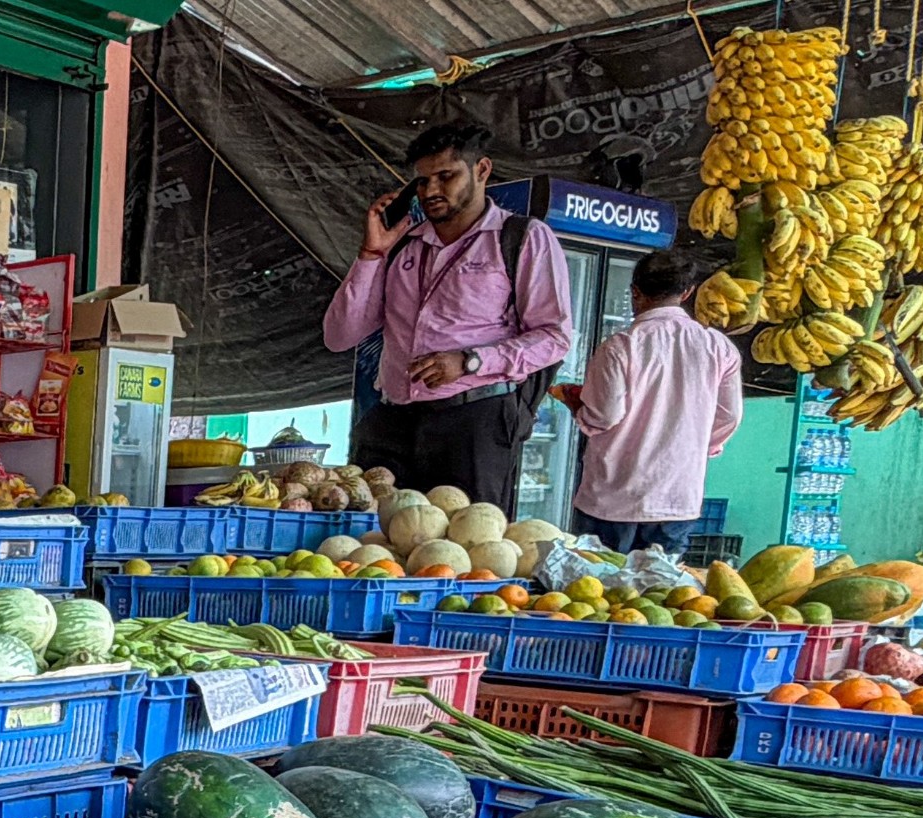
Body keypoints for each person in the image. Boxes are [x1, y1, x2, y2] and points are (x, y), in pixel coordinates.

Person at [318, 121, 570, 513]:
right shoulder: (404, 244)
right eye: (422, 181)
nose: (431, 190)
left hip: (473, 424)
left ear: (482, 170)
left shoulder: (522, 238)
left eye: (445, 176)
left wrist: (470, 361)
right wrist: (371, 255)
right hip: (392, 422)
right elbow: (338, 336)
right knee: (367, 542)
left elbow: (554, 337)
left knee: (462, 552)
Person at [556, 242, 742, 551]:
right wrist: (697, 448)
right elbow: (730, 416)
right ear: (687, 293)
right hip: (677, 497)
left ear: (635, 292)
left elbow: (604, 415)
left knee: (600, 592)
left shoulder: (620, 346)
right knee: (659, 594)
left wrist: (576, 405)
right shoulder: (718, 347)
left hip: (612, 498)